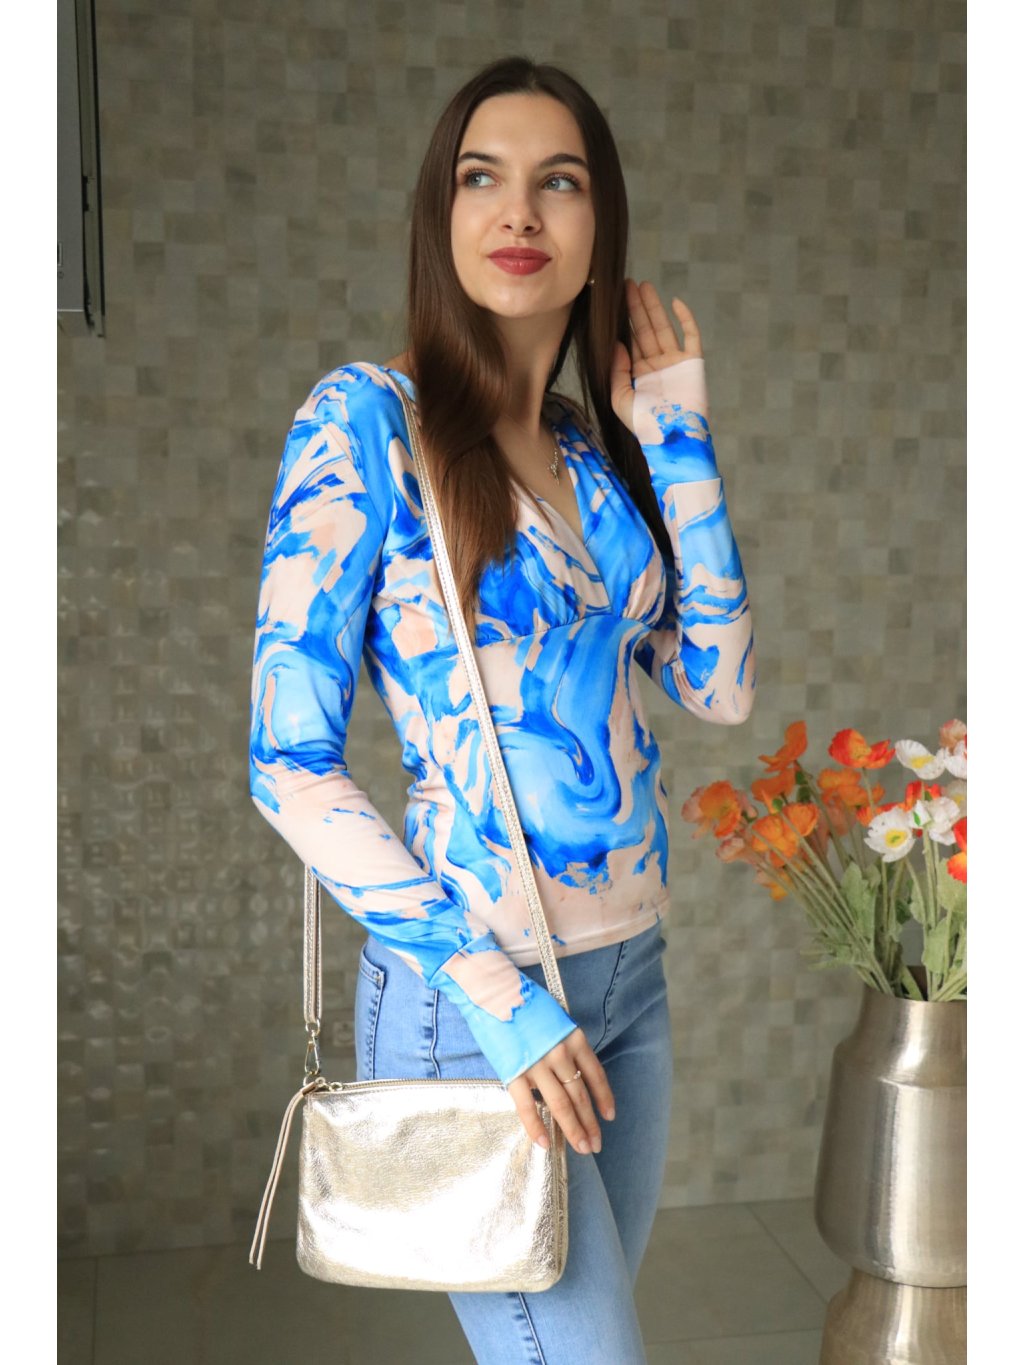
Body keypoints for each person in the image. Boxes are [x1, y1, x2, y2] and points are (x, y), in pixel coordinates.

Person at [249, 53, 756, 1365]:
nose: (519, 210)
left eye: (559, 182)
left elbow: (718, 683)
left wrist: (680, 440)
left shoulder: (592, 448)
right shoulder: (366, 424)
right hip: (476, 1002)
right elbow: (288, 763)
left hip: (631, 983)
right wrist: (500, 1000)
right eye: (484, 177)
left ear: (599, 229)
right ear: (445, 213)